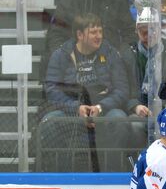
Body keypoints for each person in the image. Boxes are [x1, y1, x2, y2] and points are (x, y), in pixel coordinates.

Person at [42, 13, 129, 172]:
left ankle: (113, 175)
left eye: (100, 31)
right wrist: (75, 108)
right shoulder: (61, 55)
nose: (98, 36)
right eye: (93, 32)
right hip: (71, 111)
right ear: (80, 35)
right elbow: (52, 90)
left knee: (119, 119)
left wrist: (100, 107)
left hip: (104, 110)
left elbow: (122, 90)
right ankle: (59, 176)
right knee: (51, 121)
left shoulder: (110, 53)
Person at [121, 5, 166, 156]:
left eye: (152, 29)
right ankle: (139, 163)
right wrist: (135, 105)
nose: (147, 34)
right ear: (136, 30)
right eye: (143, 30)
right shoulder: (128, 53)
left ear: (159, 28)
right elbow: (122, 86)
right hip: (139, 111)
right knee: (135, 125)